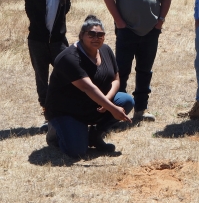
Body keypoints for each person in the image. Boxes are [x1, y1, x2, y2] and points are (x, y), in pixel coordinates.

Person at [103, 0, 173, 123]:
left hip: (151, 31)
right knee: (121, 71)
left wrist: (160, 21)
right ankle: (120, 110)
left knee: (145, 71)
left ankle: (141, 109)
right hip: (127, 31)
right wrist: (119, 21)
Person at [44, 15, 134, 158]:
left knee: (126, 101)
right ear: (81, 35)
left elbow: (116, 79)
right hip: (67, 110)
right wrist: (111, 108)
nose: (96, 38)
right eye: (91, 34)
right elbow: (88, 88)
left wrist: (107, 100)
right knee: (77, 152)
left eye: (100, 34)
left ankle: (95, 135)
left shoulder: (106, 50)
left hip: (94, 104)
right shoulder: (70, 58)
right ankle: (55, 132)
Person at [25, 0, 71, 132]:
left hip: (58, 39)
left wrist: (56, 29)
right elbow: (29, 11)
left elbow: (66, 7)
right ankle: (48, 115)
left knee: (66, 74)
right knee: (42, 79)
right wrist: (43, 31)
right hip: (37, 41)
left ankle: (64, 110)